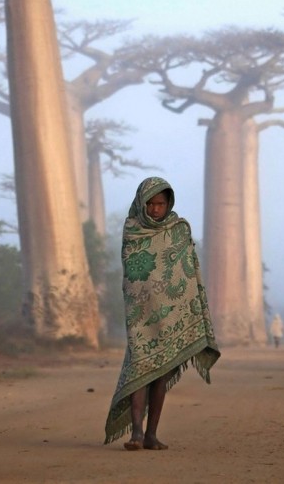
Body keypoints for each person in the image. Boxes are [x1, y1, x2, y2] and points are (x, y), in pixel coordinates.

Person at [104, 177, 221, 451]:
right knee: (139, 370)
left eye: (161, 204)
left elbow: (189, 272)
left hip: (170, 316)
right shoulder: (133, 229)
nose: (156, 209)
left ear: (169, 204)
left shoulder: (179, 230)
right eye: (151, 204)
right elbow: (132, 272)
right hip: (140, 315)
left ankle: (151, 435)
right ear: (141, 204)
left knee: (160, 377)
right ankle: (135, 432)